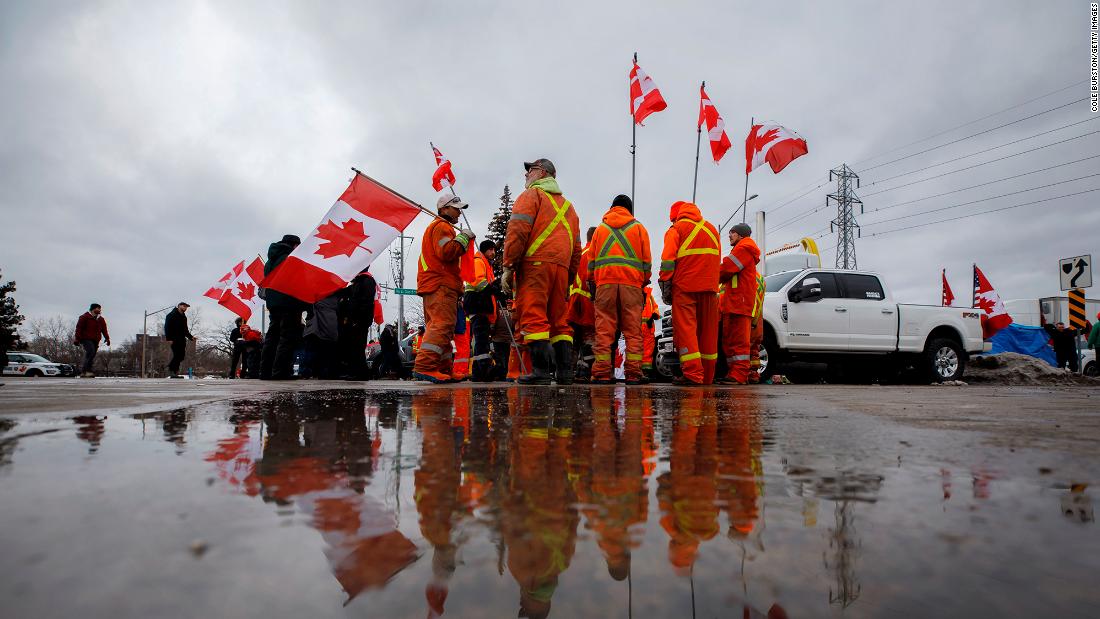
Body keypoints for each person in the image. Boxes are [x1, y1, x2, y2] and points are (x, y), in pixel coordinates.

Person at [501, 158, 581, 385]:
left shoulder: (530, 196)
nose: (526, 175)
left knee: (533, 315)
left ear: (543, 172)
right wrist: (568, 278)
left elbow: (517, 231)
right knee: (559, 321)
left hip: (535, 266)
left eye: (530, 170)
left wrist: (509, 266)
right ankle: (565, 373)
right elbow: (576, 249)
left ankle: (541, 371)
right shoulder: (569, 208)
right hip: (562, 269)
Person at [588, 194, 652, 385]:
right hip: (631, 285)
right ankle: (633, 373)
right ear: (629, 209)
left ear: (612, 207)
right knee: (632, 330)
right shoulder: (639, 228)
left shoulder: (600, 229)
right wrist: (643, 280)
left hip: (605, 285)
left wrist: (594, 281)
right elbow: (646, 262)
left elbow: (591, 263)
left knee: (604, 330)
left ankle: (601, 373)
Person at [414, 194, 476, 383]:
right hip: (440, 284)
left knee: (442, 327)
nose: (459, 211)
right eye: (456, 207)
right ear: (444, 209)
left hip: (436, 284)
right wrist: (464, 237)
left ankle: (443, 368)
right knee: (442, 325)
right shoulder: (442, 226)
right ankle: (425, 367)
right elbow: (447, 252)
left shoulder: (438, 227)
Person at [658, 201, 721, 385]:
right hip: (710, 289)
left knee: (686, 331)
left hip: (685, 287)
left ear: (675, 217)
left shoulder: (676, 229)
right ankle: (707, 376)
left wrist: (665, 281)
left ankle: (693, 375)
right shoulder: (711, 230)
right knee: (708, 333)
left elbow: (667, 261)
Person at [717, 223, 761, 385]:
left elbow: (726, 269)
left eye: (732, 233)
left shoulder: (744, 249)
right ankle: (734, 373)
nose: (730, 235)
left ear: (741, 235)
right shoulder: (742, 249)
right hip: (735, 302)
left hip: (739, 302)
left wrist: (706, 274)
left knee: (738, 342)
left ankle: (739, 375)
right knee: (730, 341)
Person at [261, 234, 308, 380]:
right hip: (289, 301)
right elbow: (297, 281)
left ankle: (265, 372)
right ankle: (281, 371)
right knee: (287, 337)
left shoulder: (271, 259)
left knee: (272, 336)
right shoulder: (290, 258)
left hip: (274, 302)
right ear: (294, 245)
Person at [464, 240, 499, 382]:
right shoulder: (479, 261)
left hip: (479, 306)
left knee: (481, 339)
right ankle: (483, 369)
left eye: (494, 250)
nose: (493, 253)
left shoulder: (485, 264)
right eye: (490, 250)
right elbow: (479, 282)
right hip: (477, 305)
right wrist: (493, 289)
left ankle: (479, 372)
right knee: (481, 340)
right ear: (484, 250)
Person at [567, 227, 598, 382]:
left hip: (573, 303)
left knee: (574, 339)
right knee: (589, 338)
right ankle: (584, 371)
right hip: (587, 302)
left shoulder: (579, 255)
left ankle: (568, 372)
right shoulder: (593, 254)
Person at [339, 268, 377, 380]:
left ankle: (360, 373)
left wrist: (358, 319)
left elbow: (366, 303)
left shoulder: (366, 281)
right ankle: (357, 371)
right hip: (356, 320)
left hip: (360, 320)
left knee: (358, 347)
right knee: (354, 346)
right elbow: (346, 292)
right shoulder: (359, 281)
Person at [74, 303, 111, 378]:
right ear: (93, 309)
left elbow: (104, 330)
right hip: (86, 338)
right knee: (90, 352)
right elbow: (79, 328)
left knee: (91, 354)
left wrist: (107, 338)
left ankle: (84, 372)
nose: (100, 310)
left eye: (100, 309)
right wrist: (77, 339)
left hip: (96, 340)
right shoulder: (84, 317)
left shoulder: (101, 319)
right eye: (98, 308)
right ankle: (87, 371)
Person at [164, 302, 195, 377]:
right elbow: (167, 327)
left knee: (181, 356)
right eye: (184, 306)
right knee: (177, 355)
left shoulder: (184, 317)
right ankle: (173, 371)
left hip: (182, 339)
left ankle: (172, 368)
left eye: (186, 307)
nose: (185, 308)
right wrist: (169, 338)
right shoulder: (171, 315)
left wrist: (191, 337)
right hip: (174, 339)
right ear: (179, 306)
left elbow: (185, 330)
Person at [747, 271, 768, 383]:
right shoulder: (760, 278)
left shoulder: (747, 276)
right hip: (758, 319)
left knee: (744, 350)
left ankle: (745, 374)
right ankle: (754, 375)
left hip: (750, 318)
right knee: (754, 350)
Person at [641, 285, 660, 377]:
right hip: (636, 328)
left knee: (648, 351)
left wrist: (654, 315)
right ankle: (636, 371)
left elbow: (655, 307)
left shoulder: (649, 295)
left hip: (648, 329)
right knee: (635, 350)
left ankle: (646, 372)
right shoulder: (633, 292)